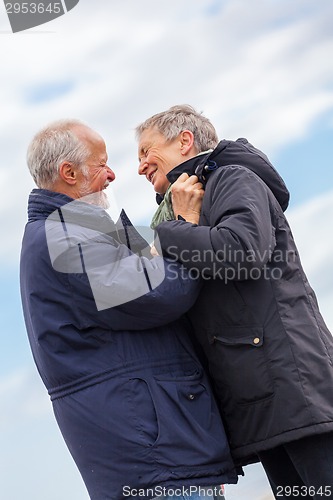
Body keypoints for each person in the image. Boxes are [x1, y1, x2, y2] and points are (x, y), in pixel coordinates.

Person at [20, 119, 238, 500]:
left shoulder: (78, 229)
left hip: (159, 451)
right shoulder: (65, 236)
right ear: (68, 173)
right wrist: (186, 223)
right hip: (154, 461)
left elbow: (151, 270)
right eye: (101, 164)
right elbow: (162, 293)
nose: (112, 174)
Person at [136, 105, 333, 500]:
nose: (140, 166)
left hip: (292, 390)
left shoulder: (230, 177)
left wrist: (174, 232)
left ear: (185, 141)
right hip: (262, 399)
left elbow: (241, 252)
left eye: (145, 152)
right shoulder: (183, 207)